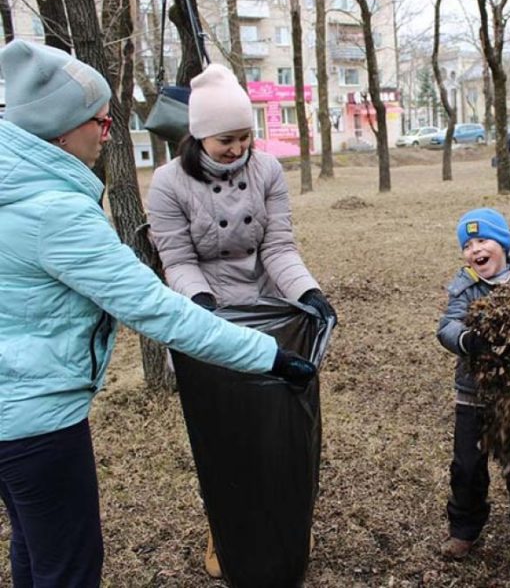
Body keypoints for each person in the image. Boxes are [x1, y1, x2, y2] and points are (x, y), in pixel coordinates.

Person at [0, 40, 317, 587]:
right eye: (99, 121)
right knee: (68, 566)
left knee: (35, 550)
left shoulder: (15, 189)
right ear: (61, 130)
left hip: (12, 404)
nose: (107, 133)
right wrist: (269, 355)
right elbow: (153, 308)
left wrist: (306, 293)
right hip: (33, 418)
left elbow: (279, 245)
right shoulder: (55, 212)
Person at [145, 63, 336, 577]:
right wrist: (202, 312)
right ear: (199, 135)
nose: (238, 148)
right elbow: (178, 261)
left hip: (269, 307)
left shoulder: (268, 170)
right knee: (226, 432)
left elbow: (278, 247)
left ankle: (289, 515)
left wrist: (308, 292)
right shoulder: (168, 183)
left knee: (279, 427)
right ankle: (224, 525)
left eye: (246, 136)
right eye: (226, 139)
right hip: (205, 309)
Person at [436, 208, 510, 560]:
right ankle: (464, 530)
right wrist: (469, 340)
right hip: (474, 394)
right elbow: (447, 327)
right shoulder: (465, 287)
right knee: (468, 467)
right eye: (467, 244)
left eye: (482, 240)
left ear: (502, 243)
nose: (475, 250)